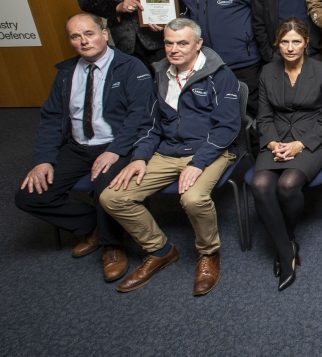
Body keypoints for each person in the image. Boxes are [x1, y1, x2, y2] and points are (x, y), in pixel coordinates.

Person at [99, 18, 241, 296]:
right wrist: (140, 156)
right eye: (169, 43)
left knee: (193, 198)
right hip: (168, 150)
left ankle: (208, 253)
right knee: (112, 197)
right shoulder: (160, 74)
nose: (174, 50)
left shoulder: (220, 75)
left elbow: (227, 127)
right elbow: (151, 124)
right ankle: (160, 249)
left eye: (182, 43)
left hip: (210, 150)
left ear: (198, 44)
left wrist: (198, 163)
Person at [16, 13, 154, 283]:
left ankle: (112, 245)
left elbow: (140, 116)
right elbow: (52, 119)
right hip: (77, 146)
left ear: (104, 34)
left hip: (116, 145)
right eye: (75, 37)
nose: (83, 41)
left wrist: (115, 150)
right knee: (30, 196)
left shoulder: (131, 67)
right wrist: (43, 160)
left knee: (105, 185)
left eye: (89, 34)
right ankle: (92, 225)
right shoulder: (66, 73)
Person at [252, 18, 322, 291]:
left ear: (306, 43)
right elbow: (263, 117)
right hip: (275, 138)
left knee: (288, 185)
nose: (290, 47)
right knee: (261, 184)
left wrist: (301, 144)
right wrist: (272, 143)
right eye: (285, 42)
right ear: (277, 44)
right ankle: (286, 249)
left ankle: (284, 238)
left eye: (296, 41)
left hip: (313, 139)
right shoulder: (267, 72)